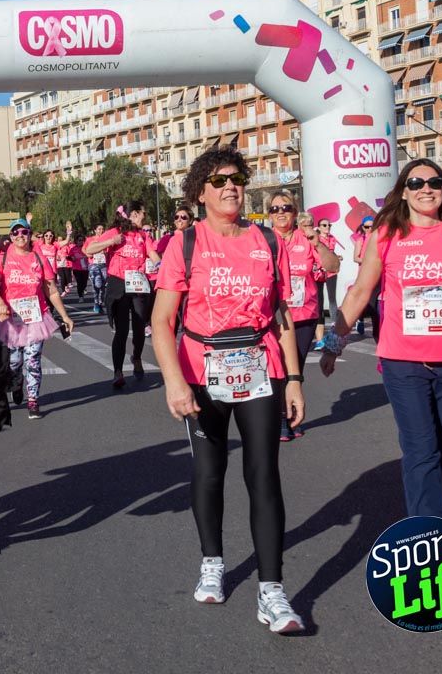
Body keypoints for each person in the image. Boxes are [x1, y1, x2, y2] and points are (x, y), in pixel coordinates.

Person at [150, 146, 306, 634]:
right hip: (201, 370)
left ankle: (272, 591)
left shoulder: (266, 239)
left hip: (259, 366)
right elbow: (161, 320)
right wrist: (174, 381)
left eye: (237, 177)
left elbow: (281, 314)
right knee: (210, 471)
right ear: (201, 192)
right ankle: (212, 561)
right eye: (219, 180)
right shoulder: (186, 243)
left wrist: (295, 379)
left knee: (264, 474)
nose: (231, 186)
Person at [320, 159, 442, 520]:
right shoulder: (386, 234)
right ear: (403, 192)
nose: (426, 189)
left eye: (434, 182)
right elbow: (361, 292)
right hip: (404, 364)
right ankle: (430, 537)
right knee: (422, 451)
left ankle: (436, 525)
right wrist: (334, 341)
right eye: (416, 182)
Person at [267, 193, 340, 441]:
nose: (280, 212)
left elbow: (333, 267)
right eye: (274, 208)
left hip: (305, 315)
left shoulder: (307, 239)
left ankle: (289, 415)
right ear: (269, 214)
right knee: (278, 368)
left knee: (295, 367)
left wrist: (317, 243)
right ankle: (281, 419)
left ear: (295, 211)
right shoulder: (265, 240)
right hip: (274, 316)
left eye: (286, 207)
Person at [0, 218, 75, 420]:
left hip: (36, 316)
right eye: (15, 233)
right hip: (11, 319)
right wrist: (0, 303)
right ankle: (16, 382)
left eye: (24, 232)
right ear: (10, 237)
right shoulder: (3, 259)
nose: (20, 236)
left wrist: (65, 316)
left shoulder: (38, 257)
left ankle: (33, 400)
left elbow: (51, 290)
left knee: (33, 360)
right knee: (14, 362)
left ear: (29, 234)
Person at [84, 200, 161, 389]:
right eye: (142, 213)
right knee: (122, 330)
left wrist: (164, 267)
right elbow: (88, 249)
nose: (144, 216)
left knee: (140, 327)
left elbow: (153, 255)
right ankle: (118, 371)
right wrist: (111, 241)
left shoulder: (143, 235)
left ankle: (136, 357)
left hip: (138, 285)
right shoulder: (115, 232)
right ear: (134, 214)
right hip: (118, 285)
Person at [312, 216, 343, 350]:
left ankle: (334, 325)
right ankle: (319, 334)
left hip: (330, 272)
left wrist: (337, 257)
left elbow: (331, 253)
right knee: (319, 301)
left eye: (329, 225)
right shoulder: (316, 239)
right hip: (318, 273)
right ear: (319, 227)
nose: (327, 227)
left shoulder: (332, 239)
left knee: (332, 298)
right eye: (324, 225)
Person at [86, 224, 109, 314]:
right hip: (93, 264)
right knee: (97, 284)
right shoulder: (90, 240)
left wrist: (105, 253)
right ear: (95, 230)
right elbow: (85, 250)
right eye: (99, 229)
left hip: (103, 265)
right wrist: (90, 254)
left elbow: (109, 252)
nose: (101, 231)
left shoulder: (107, 240)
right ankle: (96, 302)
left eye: (103, 229)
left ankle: (99, 303)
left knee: (103, 286)